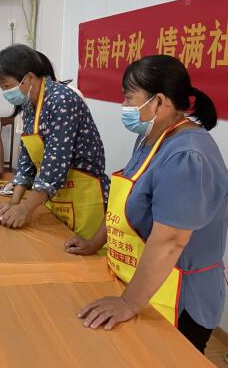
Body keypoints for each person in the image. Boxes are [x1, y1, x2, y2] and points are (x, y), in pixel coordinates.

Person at [66, 55, 228, 354]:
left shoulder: (188, 156)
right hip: (142, 280)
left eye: (129, 97)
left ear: (159, 102)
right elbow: (124, 204)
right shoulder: (150, 138)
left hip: (178, 297)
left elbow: (171, 241)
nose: (124, 105)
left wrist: (129, 302)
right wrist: (94, 243)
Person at [0, 44, 109, 242]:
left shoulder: (62, 100)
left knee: (82, 256)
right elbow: (27, 159)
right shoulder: (30, 105)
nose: (4, 92)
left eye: (6, 86)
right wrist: (14, 202)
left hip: (84, 197)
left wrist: (26, 208)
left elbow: (55, 162)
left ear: (28, 78)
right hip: (55, 198)